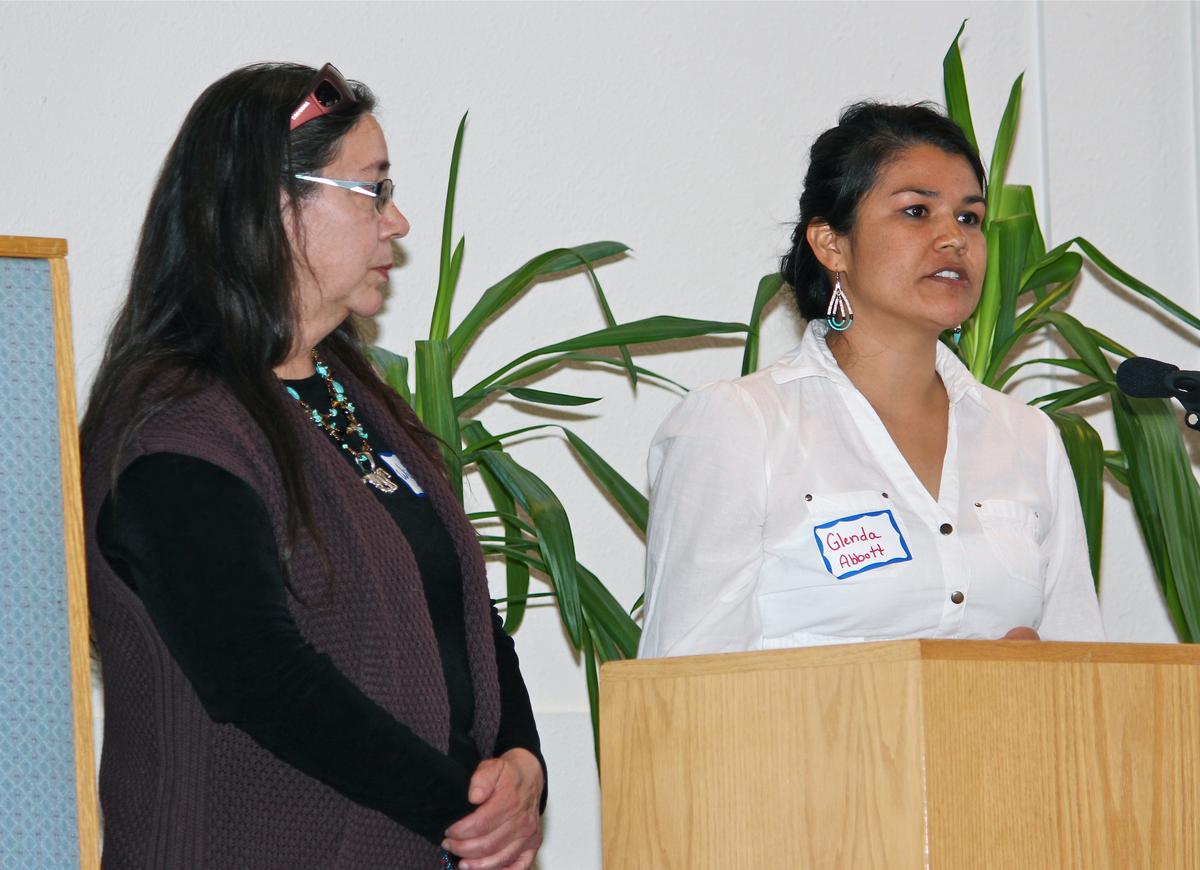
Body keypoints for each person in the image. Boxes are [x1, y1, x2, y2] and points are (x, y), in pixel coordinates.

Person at [82, 63, 545, 869]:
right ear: (273, 207)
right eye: (372, 190)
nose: (397, 221)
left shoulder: (350, 393)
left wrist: (521, 763)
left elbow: (463, 613)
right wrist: (462, 809)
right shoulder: (176, 428)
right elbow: (261, 679)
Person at [638, 102, 1104, 659]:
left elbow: (1083, 667)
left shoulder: (1028, 437)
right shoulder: (741, 425)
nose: (953, 238)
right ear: (832, 244)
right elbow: (682, 680)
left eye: (969, 218)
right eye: (916, 211)